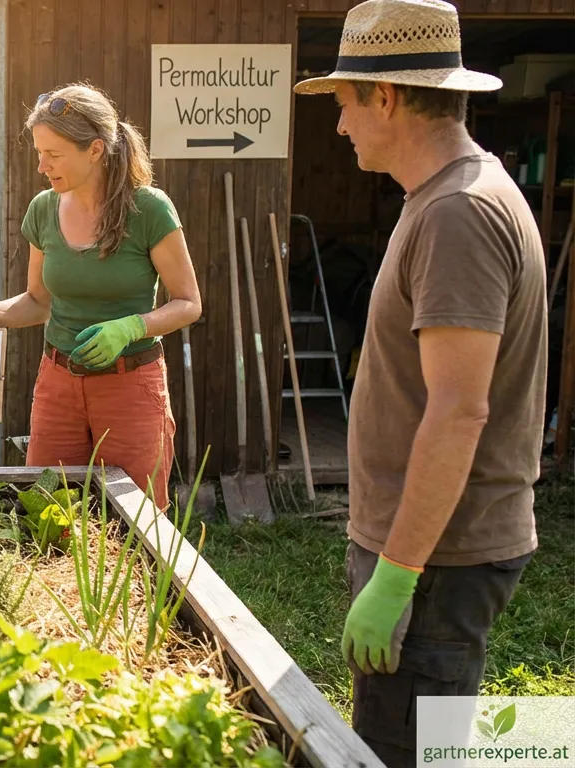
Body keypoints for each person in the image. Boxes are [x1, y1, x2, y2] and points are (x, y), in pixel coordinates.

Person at [294, 1, 546, 765]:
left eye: (344, 104)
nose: (339, 128)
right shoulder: (443, 196)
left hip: (439, 558)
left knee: (402, 753)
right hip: (430, 548)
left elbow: (460, 410)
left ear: (388, 96)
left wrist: (397, 576)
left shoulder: (458, 213)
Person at [0, 84, 201, 505]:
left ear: (95, 150)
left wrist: (131, 327)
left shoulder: (149, 209)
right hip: (58, 384)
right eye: (39, 152)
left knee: (134, 520)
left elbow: (188, 302)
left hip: (130, 385)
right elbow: (39, 301)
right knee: (45, 511)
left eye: (53, 154)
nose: (42, 165)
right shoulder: (43, 209)